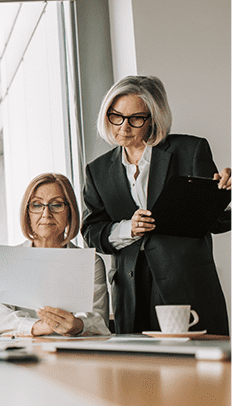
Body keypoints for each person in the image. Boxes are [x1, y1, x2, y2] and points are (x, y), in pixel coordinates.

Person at [81, 75, 231, 335]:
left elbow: (214, 222)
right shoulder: (97, 171)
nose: (123, 127)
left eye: (136, 119)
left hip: (186, 283)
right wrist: (129, 228)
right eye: (116, 116)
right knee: (140, 369)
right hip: (131, 290)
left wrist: (221, 196)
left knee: (199, 370)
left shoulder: (191, 150)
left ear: (154, 118)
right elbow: (90, 232)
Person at [0, 173, 110, 336]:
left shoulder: (91, 262)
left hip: (73, 353)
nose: (46, 214)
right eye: (36, 205)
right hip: (20, 353)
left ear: (70, 212)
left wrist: (77, 324)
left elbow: (97, 319)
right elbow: (0, 319)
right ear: (27, 213)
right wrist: (39, 327)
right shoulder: (1, 263)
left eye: (56, 205)